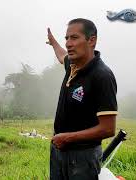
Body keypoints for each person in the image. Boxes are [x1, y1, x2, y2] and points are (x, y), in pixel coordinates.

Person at [46, 18, 118, 180]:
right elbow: (61, 55)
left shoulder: (102, 76)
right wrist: (53, 42)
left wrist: (67, 137)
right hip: (59, 152)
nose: (68, 44)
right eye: (66, 38)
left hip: (82, 158)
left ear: (92, 40)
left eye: (74, 37)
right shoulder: (72, 65)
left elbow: (108, 129)